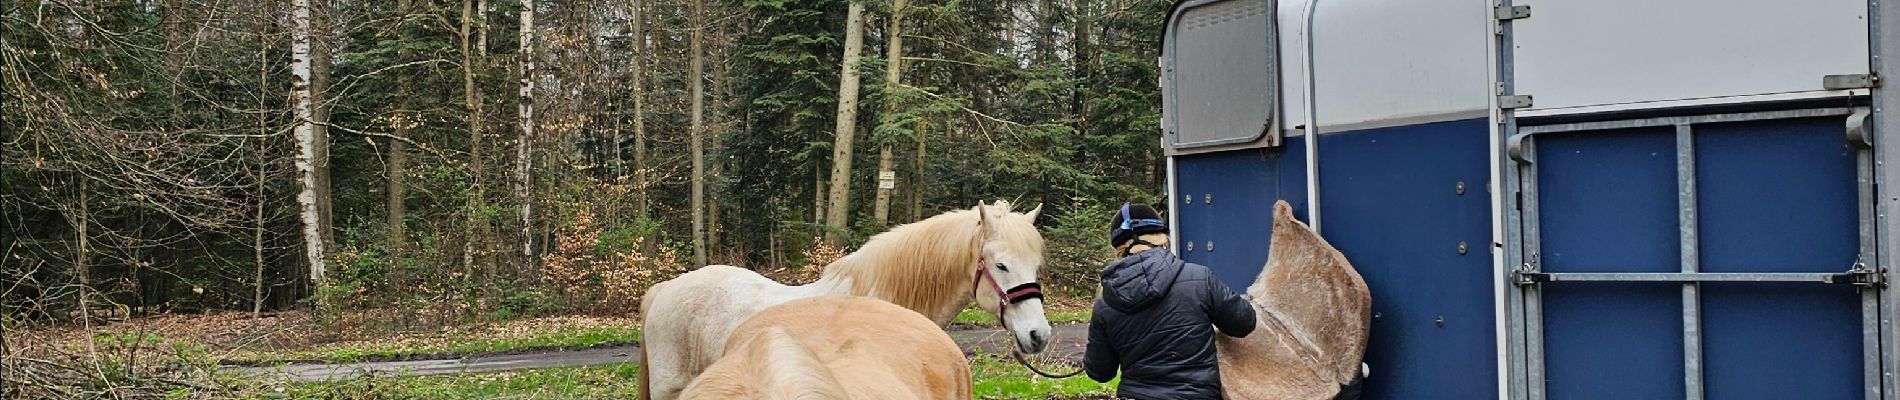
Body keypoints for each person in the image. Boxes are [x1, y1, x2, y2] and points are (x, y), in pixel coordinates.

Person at [1083, 203, 1257, 400]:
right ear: (1163, 237)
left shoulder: (1105, 301)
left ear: (1119, 248)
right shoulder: (1200, 279)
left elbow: (1099, 372)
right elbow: (1244, 322)